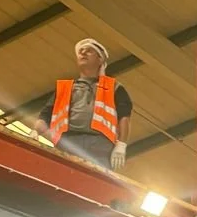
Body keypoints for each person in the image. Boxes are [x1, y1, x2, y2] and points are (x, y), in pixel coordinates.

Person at [37, 37, 132, 169]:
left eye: (89, 51)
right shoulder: (65, 88)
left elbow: (124, 117)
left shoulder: (114, 87)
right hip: (68, 142)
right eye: (80, 51)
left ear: (100, 59)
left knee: (96, 183)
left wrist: (121, 145)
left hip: (100, 146)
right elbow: (44, 117)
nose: (83, 53)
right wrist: (39, 132)